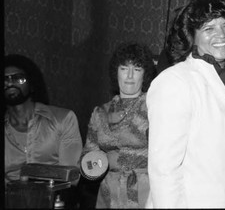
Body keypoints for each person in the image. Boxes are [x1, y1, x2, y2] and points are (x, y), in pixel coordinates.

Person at [146, 0, 225, 208]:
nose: (221, 34)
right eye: (208, 28)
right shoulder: (175, 80)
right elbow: (164, 171)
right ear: (192, 35)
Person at [80, 42, 157, 208]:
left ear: (145, 75)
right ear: (116, 72)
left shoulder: (154, 108)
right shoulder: (100, 113)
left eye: (137, 69)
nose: (129, 76)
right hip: (109, 194)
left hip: (145, 193)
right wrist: (88, 166)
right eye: (124, 68)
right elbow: (88, 154)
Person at [4, 54, 83, 183]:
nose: (10, 84)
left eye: (18, 79)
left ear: (32, 83)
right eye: (5, 80)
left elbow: (71, 177)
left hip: (55, 198)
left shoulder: (63, 119)